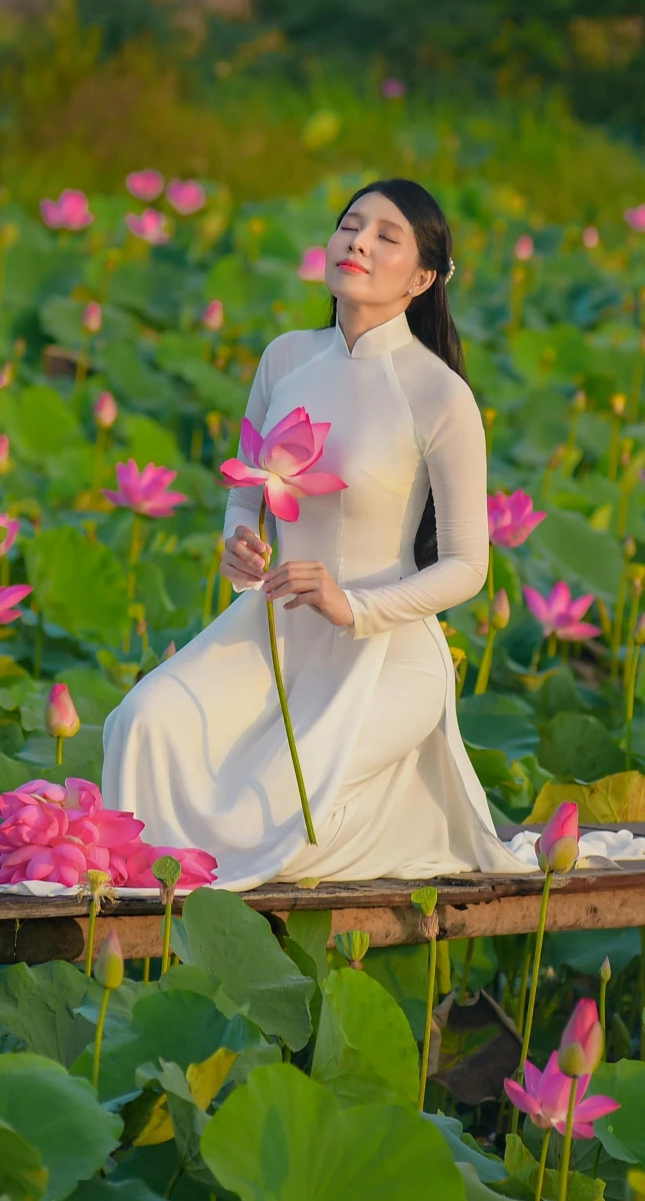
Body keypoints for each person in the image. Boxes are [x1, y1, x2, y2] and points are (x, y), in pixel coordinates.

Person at [101, 177, 540, 887]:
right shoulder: (286, 358)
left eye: (384, 236)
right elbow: (246, 487)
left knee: (259, 817)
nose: (357, 243)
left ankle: (409, 822)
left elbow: (466, 565)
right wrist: (239, 540)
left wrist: (355, 607)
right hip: (279, 629)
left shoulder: (438, 393)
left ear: (422, 278)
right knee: (139, 725)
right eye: (349, 226)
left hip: (388, 655)